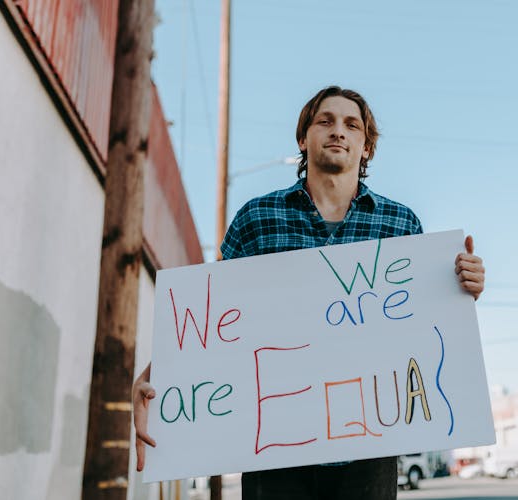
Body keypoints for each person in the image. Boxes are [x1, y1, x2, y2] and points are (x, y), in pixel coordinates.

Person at [132, 85, 485, 499]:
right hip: (274, 447)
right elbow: (213, 323)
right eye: (326, 121)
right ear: (304, 139)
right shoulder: (258, 218)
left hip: (370, 449)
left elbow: (423, 323)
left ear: (366, 147)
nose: (339, 131)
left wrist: (461, 287)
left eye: (352, 125)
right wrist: (155, 377)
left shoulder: (400, 223)